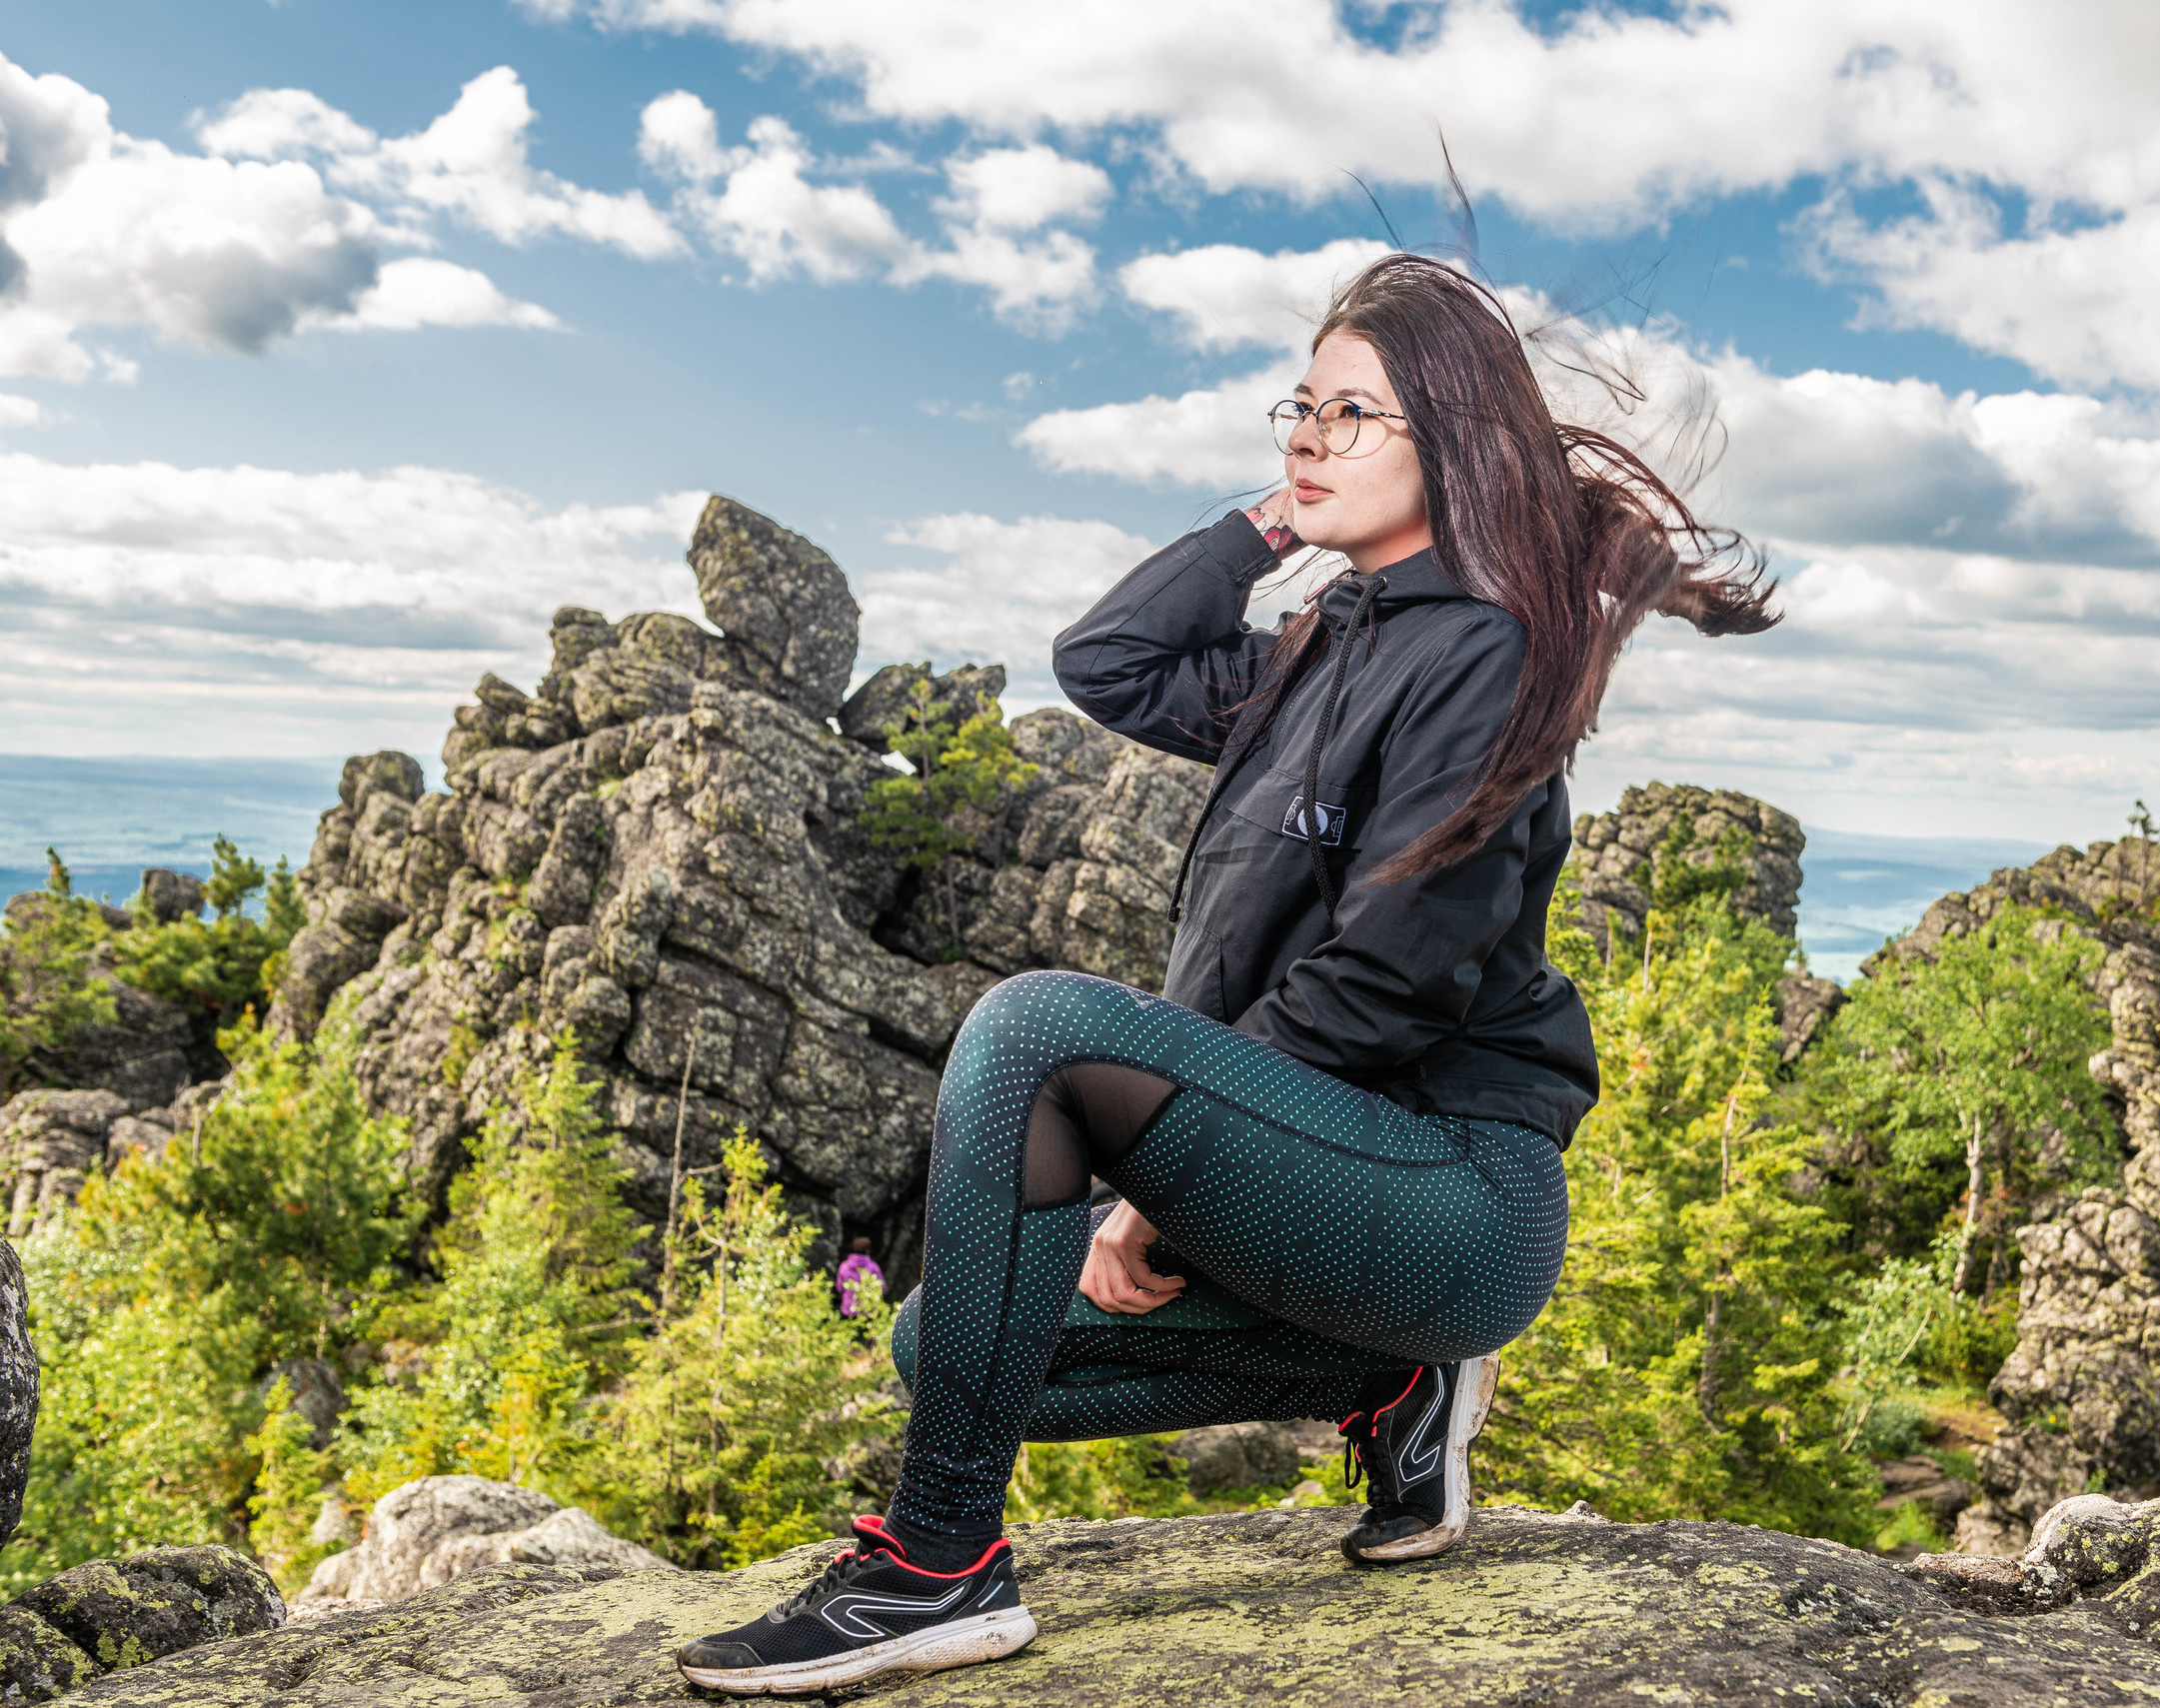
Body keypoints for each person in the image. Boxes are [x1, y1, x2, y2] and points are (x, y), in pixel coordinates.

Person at [676, 254, 1777, 1695]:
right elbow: (1107, 659)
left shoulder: (1488, 656)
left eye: (1353, 414)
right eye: (1298, 409)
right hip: (1328, 1176)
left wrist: (1158, 1194)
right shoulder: (1329, 639)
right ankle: (1395, 1385)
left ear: (1455, 439)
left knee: (1038, 1029)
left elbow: (1384, 983)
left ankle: (935, 1567)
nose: (1307, 435)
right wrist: (1286, 519)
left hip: (1449, 1190)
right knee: (944, 1333)